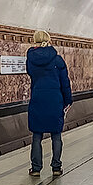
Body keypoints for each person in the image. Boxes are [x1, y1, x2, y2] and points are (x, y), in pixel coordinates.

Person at [26, 30, 73, 176]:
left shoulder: (31, 59)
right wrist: (68, 100)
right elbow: (65, 82)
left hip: (38, 98)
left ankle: (36, 168)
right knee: (56, 135)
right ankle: (56, 167)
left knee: (37, 135)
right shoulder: (58, 60)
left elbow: (31, 74)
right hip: (54, 99)